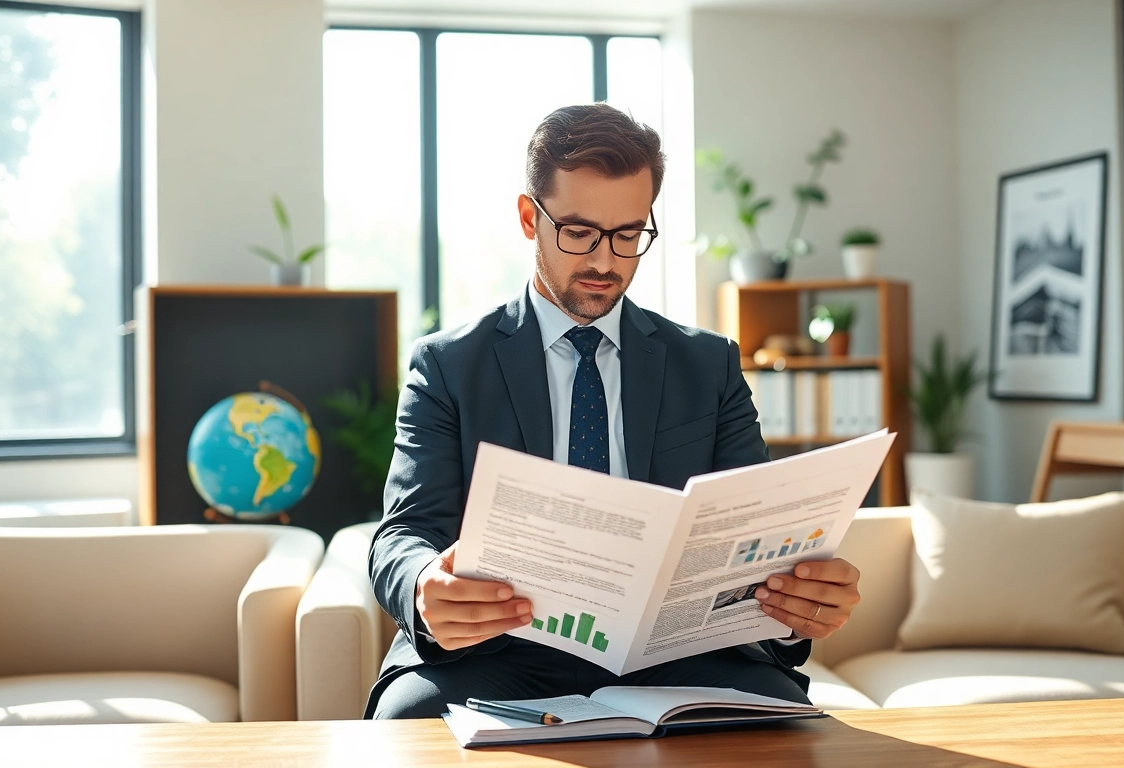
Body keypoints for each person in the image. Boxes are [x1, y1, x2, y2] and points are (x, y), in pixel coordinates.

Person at [366, 103, 864, 719]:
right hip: (499, 651)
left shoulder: (708, 365)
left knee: (788, 724)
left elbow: (757, 539)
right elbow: (403, 534)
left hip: (681, 655)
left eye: (629, 235)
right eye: (579, 232)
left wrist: (799, 605)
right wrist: (423, 588)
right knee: (408, 719)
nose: (606, 261)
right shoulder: (447, 365)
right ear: (530, 217)